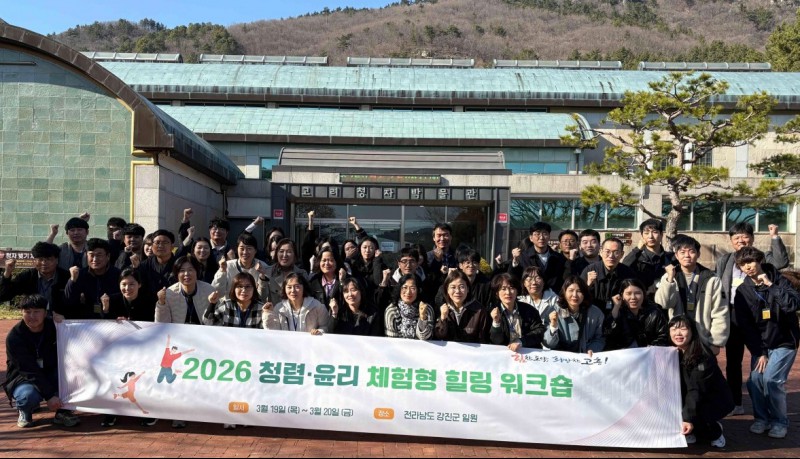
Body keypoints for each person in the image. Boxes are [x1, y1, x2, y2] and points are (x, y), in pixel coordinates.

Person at [716, 222, 790, 417]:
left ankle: (766, 403)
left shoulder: (761, 258)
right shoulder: (725, 260)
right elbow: (718, 285)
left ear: (752, 238)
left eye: (745, 236)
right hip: (733, 314)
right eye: (736, 238)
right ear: (731, 241)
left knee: (761, 355)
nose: (741, 240)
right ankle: (736, 403)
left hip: (760, 314)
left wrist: (775, 236)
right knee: (733, 361)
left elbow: (781, 262)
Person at [733, 246, 799, 439]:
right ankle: (762, 419)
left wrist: (771, 286)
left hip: (784, 341)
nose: (748, 267)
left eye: (750, 262)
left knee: (771, 380)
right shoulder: (743, 291)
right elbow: (746, 326)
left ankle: (780, 422)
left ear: (760, 260)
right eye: (743, 264)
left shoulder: (780, 280)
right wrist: (760, 352)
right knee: (755, 381)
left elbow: (793, 305)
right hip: (762, 345)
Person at [1, 295, 79, 428]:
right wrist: (49, 396)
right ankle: (25, 410)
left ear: (45, 312)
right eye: (27, 312)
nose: (32, 316)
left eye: (36, 311)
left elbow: (79, 339)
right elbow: (28, 370)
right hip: (24, 377)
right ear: (21, 312)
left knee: (72, 379)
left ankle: (63, 412)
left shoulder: (55, 327)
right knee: (27, 397)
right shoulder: (14, 337)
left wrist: (65, 323)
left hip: (51, 371)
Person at [655, 235, 728, 354]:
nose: (687, 255)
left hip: (703, 339)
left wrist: (716, 342)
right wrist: (669, 280)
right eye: (682, 252)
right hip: (678, 338)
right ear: (676, 255)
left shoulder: (711, 279)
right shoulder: (669, 277)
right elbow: (664, 304)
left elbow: (720, 311)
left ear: (698, 254)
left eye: (691, 251)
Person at [669, 315, 732, 448]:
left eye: (683, 329)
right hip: (692, 397)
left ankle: (715, 431)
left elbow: (697, 390)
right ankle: (693, 426)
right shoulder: (673, 353)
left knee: (698, 422)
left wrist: (687, 419)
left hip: (712, 399)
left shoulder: (702, 356)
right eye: (673, 329)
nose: (678, 333)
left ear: (692, 331)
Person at [0, 242, 68, 316]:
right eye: (40, 259)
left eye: (48, 259)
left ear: (57, 260)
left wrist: (64, 316)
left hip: (59, 319)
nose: (44, 263)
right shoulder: (28, 276)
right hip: (33, 319)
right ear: (34, 260)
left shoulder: (66, 277)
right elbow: (4, 296)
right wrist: (7, 273)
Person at [542, 275, 605, 354]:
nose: (574, 295)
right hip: (561, 357)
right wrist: (553, 326)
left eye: (579, 291)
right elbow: (548, 344)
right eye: (571, 290)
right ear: (564, 292)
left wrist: (592, 349)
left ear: (584, 293)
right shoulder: (553, 311)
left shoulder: (596, 313)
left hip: (585, 356)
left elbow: (600, 338)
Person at [62, 238, 121, 319]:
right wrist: (72, 281)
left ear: (108, 256)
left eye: (99, 255)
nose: (95, 259)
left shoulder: (118, 275)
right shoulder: (79, 275)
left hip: (112, 319)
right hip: (86, 321)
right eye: (91, 255)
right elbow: (68, 301)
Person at [603, 278, 669, 350]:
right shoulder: (619, 312)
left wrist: (649, 349)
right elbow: (609, 335)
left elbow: (664, 337)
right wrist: (616, 307)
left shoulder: (655, 313)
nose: (633, 297)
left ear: (644, 294)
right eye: (628, 294)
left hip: (649, 353)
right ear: (622, 295)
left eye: (637, 293)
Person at [580, 238, 636, 316]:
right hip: (593, 314)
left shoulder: (628, 273)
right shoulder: (590, 270)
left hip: (620, 314)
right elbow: (578, 295)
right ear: (601, 252)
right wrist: (588, 285)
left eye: (616, 252)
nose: (611, 256)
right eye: (607, 252)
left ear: (622, 254)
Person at [488, 273, 545, 350]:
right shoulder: (491, 312)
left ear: (517, 291)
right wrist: (496, 322)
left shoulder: (530, 310)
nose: (508, 292)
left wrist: (521, 341)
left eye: (511, 288)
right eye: (503, 289)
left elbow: (539, 332)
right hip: (503, 354)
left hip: (527, 352)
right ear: (497, 293)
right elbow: (495, 341)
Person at [509, 222, 571, 293]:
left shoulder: (559, 258)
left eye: (545, 234)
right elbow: (513, 279)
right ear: (531, 238)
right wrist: (515, 261)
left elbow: (564, 280)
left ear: (549, 236)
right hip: (530, 296)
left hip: (553, 297)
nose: (541, 237)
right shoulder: (523, 257)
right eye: (537, 234)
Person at [156, 256, 216, 327]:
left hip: (203, 332)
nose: (186, 274)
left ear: (197, 272)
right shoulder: (170, 293)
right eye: (182, 270)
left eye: (190, 270)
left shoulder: (208, 290)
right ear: (177, 274)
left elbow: (215, 321)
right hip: (177, 332)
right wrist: (161, 303)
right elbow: (161, 325)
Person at [262, 273, 330, 334]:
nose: (293, 290)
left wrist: (319, 331)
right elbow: (273, 332)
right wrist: (268, 314)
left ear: (304, 288)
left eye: (297, 287)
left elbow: (325, 326)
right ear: (284, 289)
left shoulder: (317, 306)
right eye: (289, 287)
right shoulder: (279, 308)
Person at [622, 219, 674, 295]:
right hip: (642, 299)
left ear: (661, 235)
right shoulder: (637, 257)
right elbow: (624, 267)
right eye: (646, 233)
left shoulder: (670, 258)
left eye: (655, 232)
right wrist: (637, 249)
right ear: (642, 236)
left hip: (665, 298)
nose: (650, 236)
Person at [435, 271, 490, 344]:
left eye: (461, 287)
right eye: (453, 287)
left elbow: (483, 340)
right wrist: (442, 319)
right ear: (447, 290)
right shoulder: (442, 308)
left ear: (468, 289)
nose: (457, 291)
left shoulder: (479, 311)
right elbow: (439, 337)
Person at [212, 233, 269, 302]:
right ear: (237, 249)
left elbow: (263, 297)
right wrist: (222, 271)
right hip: (229, 305)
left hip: (254, 306)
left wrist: (262, 276)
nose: (245, 252)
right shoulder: (228, 266)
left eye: (249, 249)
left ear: (255, 251)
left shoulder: (263, 266)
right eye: (242, 248)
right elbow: (217, 292)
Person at [384, 274, 434, 340]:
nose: (408, 292)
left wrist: (422, 318)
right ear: (399, 289)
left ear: (419, 290)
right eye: (405, 287)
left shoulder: (427, 309)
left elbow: (426, 338)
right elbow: (391, 340)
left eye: (412, 288)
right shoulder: (391, 310)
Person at [263, 239, 309, 305]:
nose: (284, 255)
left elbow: (307, 298)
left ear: (295, 255)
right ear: (276, 254)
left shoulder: (302, 274)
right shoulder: (268, 272)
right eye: (281, 251)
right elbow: (261, 297)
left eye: (289, 252)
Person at [308, 247, 345, 317]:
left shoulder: (345, 279)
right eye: (324, 260)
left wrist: (342, 283)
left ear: (336, 262)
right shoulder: (314, 282)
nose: (327, 263)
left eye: (331, 260)